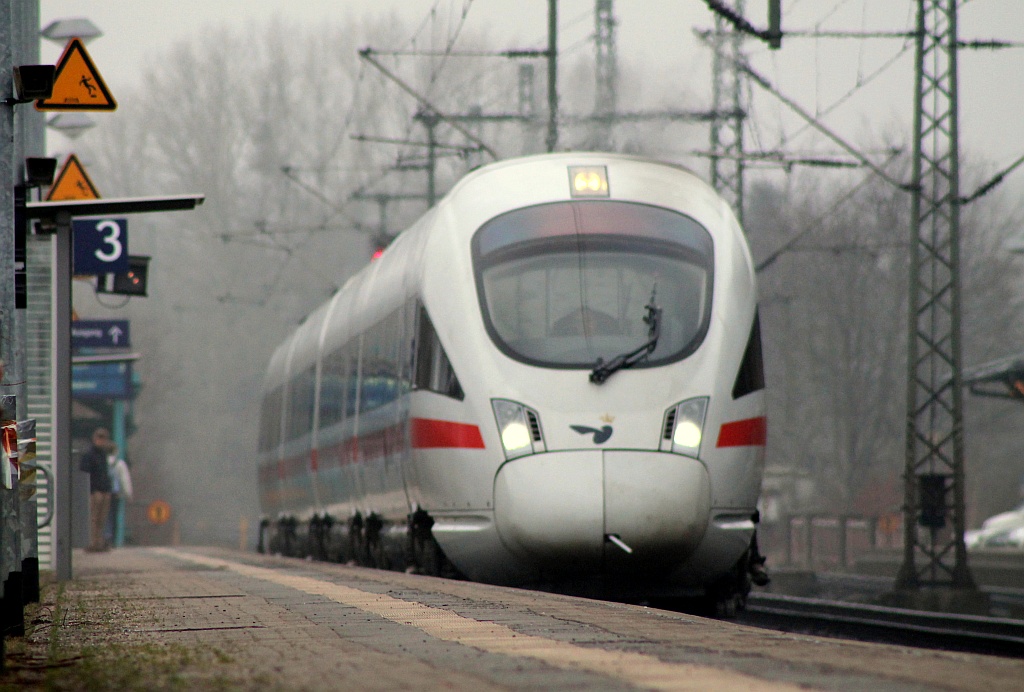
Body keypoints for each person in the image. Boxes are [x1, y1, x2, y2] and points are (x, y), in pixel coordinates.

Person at [79, 427, 113, 552]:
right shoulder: (89, 455)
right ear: (94, 439)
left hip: (104, 491)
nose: (101, 441)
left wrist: (108, 489)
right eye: (99, 438)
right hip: (94, 492)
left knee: (102, 519)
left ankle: (99, 543)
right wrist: (92, 489)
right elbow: (85, 473)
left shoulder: (103, 455)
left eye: (103, 438)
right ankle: (92, 543)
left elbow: (105, 473)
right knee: (93, 518)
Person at [106, 444, 133, 548]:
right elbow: (124, 480)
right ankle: (112, 539)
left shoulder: (102, 462)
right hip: (115, 494)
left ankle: (104, 537)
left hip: (103, 493)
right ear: (115, 451)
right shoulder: (119, 464)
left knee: (103, 517)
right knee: (114, 516)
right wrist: (128, 494)